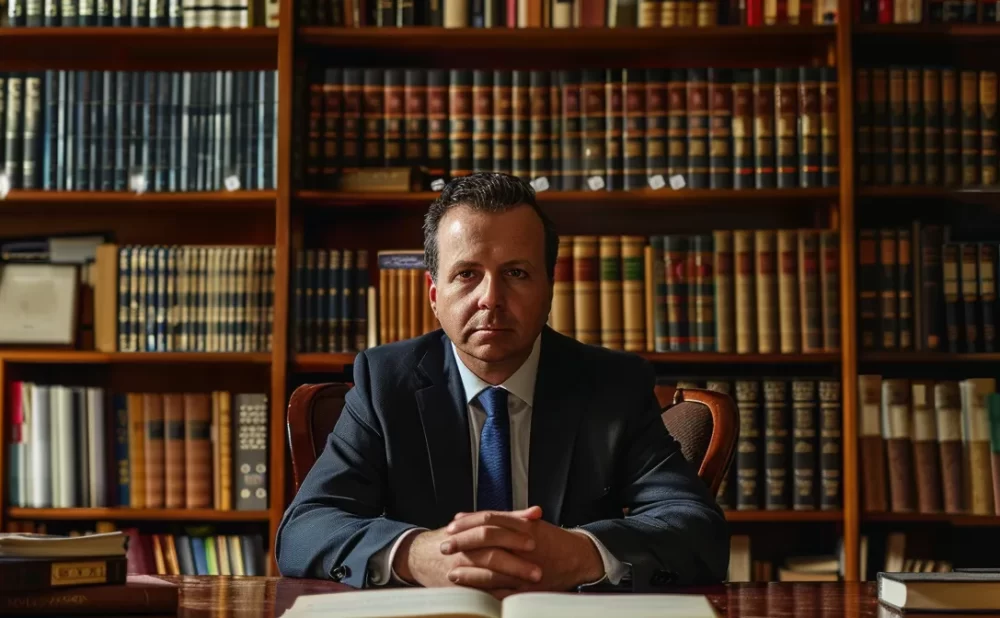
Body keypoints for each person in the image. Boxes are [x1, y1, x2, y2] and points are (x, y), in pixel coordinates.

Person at [275, 172, 729, 596]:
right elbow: (305, 529)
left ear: (549, 288)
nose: (491, 299)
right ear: (435, 294)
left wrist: (582, 553)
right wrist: (415, 554)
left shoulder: (613, 384)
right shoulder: (384, 382)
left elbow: (696, 530)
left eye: (516, 273)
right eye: (467, 274)